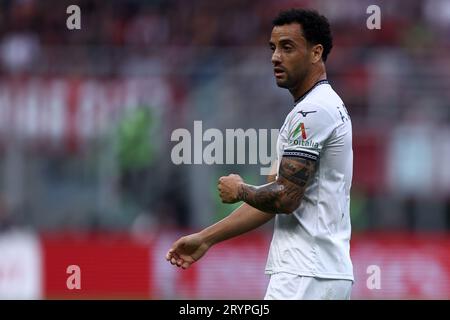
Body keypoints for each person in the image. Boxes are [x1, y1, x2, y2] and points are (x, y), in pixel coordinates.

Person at [165, 8, 354, 300]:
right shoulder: (308, 111)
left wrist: (240, 189)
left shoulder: (313, 111)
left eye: (287, 47)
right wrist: (206, 239)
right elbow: (272, 198)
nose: (275, 57)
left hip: (305, 273)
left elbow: (284, 197)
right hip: (319, 272)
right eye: (273, 48)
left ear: (316, 53)